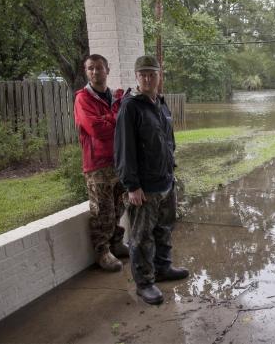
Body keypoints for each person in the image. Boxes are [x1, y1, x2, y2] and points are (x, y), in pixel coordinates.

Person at [114, 55, 189, 305]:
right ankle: (144, 283)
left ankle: (163, 268)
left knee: (164, 228)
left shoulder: (161, 103)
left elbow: (168, 140)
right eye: (142, 74)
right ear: (137, 77)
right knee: (141, 236)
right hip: (144, 188)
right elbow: (124, 150)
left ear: (159, 76)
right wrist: (132, 185)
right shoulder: (131, 107)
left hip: (165, 181)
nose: (147, 78)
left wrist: (171, 168)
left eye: (152, 74)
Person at [74, 54, 129, 272]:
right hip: (97, 165)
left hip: (118, 161)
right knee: (102, 211)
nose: (95, 72)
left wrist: (109, 119)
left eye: (99, 68)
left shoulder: (116, 97)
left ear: (107, 69)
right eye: (90, 69)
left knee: (118, 206)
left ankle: (116, 243)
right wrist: (114, 118)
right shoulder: (83, 99)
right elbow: (96, 130)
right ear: (86, 72)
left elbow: (124, 125)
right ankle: (102, 252)